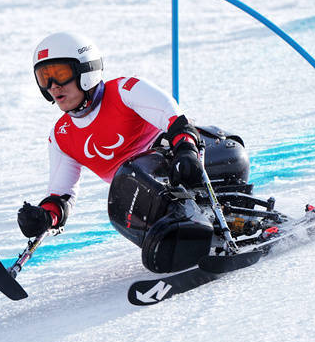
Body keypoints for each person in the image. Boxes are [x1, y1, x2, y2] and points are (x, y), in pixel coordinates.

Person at [17, 31, 226, 273]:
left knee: (132, 177)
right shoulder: (62, 136)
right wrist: (44, 217)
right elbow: (61, 195)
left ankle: (196, 233)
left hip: (203, 159)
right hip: (149, 192)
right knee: (120, 201)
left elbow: (176, 121)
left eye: (60, 74)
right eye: (44, 78)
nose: (53, 87)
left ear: (86, 71)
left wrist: (187, 150)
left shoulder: (124, 91)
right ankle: (182, 243)